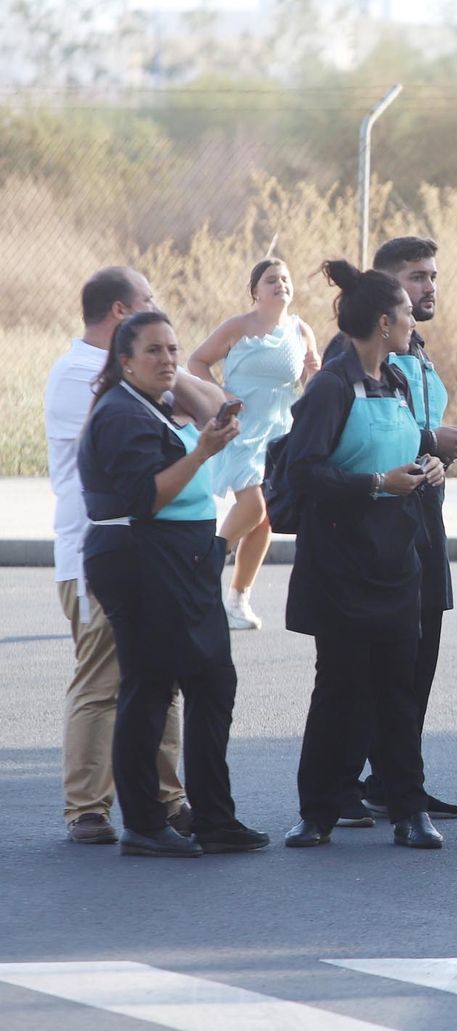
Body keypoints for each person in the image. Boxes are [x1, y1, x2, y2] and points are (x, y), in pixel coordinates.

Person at [77, 310, 269, 857]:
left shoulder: (157, 400)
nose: (167, 360)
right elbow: (145, 497)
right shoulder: (118, 413)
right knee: (151, 686)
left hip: (185, 557)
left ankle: (213, 816)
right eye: (154, 351)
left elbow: (216, 407)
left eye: (173, 349)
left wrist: (183, 383)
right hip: (141, 557)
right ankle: (143, 822)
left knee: (213, 681)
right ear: (124, 360)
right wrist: (203, 452)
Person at [281, 260, 447, 851]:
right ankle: (317, 812)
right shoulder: (330, 386)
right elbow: (303, 473)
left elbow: (404, 447)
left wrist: (427, 463)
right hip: (342, 566)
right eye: (405, 311)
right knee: (340, 691)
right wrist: (377, 484)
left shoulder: (397, 382)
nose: (412, 320)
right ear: (384, 321)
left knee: (398, 690)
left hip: (397, 563)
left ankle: (409, 808)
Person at [47, 269, 187, 844]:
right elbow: (196, 409)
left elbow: (209, 402)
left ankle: (166, 799)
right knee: (103, 681)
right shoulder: (82, 374)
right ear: (121, 312)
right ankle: (87, 807)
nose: (163, 349)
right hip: (97, 551)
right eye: (148, 306)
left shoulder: (127, 377)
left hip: (149, 551)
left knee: (160, 677)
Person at [352, 236, 457, 823]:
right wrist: (429, 444)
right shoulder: (360, 357)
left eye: (433, 275)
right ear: (386, 288)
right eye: (417, 278)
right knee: (379, 662)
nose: (430, 287)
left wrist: (438, 457)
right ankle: (350, 782)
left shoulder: (416, 348)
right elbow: (355, 444)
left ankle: (396, 778)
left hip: (426, 515)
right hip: (385, 523)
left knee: (421, 650)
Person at [187, 257, 320, 630]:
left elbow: (313, 387)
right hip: (241, 430)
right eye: (271, 280)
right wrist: (222, 393)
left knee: (264, 521)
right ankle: (201, 571)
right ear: (255, 292)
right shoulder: (239, 327)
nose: (280, 284)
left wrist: (313, 371)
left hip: (280, 435)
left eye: (285, 278)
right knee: (253, 507)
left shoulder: (301, 330)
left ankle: (237, 599)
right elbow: (197, 361)